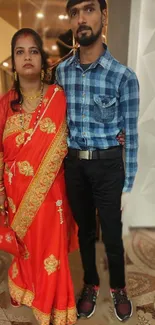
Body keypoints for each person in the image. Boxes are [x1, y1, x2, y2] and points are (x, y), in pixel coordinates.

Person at [56, 0, 139, 322]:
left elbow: (130, 134)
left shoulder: (123, 77)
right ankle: (90, 283)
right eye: (74, 13)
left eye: (88, 10)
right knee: (85, 233)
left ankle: (118, 287)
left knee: (113, 235)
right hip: (74, 166)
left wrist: (128, 184)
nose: (81, 19)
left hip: (108, 167)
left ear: (103, 16)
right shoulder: (61, 72)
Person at [0, 28, 78, 325]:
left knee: (51, 252)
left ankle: (53, 306)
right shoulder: (4, 104)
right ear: (14, 61)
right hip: (16, 198)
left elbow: (77, 134)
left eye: (33, 51)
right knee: (26, 252)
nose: (27, 57)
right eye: (20, 52)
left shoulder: (57, 97)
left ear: (42, 59)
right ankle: (27, 290)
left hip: (53, 196)